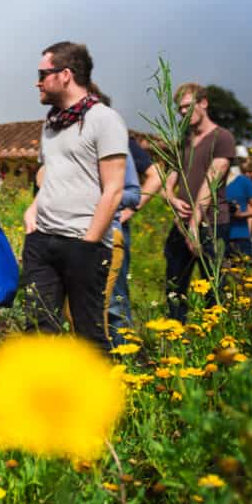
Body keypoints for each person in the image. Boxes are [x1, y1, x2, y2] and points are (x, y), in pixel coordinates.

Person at [21, 41, 127, 352]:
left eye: (43, 74)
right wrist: (33, 210)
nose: (37, 81)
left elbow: (114, 188)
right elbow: (52, 173)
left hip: (84, 242)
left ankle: (103, 401)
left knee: (88, 336)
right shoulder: (51, 124)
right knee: (38, 332)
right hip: (42, 241)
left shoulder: (103, 119)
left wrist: (89, 243)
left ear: (65, 74)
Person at [163, 82, 235, 322]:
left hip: (211, 223)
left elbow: (211, 182)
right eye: (180, 108)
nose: (183, 112)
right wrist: (172, 199)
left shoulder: (222, 137)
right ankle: (175, 339)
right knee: (174, 287)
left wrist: (194, 225)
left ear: (203, 103)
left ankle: (216, 343)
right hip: (182, 223)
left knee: (213, 287)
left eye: (188, 106)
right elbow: (167, 183)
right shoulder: (183, 142)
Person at [107, 134, 164, 347]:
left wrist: (132, 208)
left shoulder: (119, 140)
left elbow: (156, 174)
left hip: (113, 229)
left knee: (115, 299)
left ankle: (126, 358)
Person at [225, 145, 252, 261]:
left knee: (245, 276)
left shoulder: (243, 181)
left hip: (240, 236)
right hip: (218, 237)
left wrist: (241, 214)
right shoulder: (210, 183)